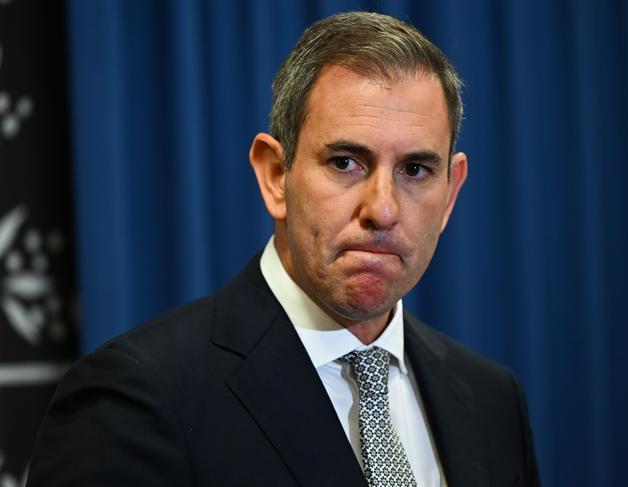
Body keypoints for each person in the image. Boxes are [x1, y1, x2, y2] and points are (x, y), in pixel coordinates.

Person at [27, 11, 540, 487]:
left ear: (449, 193)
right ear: (275, 176)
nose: (382, 210)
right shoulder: (137, 397)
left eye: (415, 170)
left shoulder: (492, 399)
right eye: (345, 162)